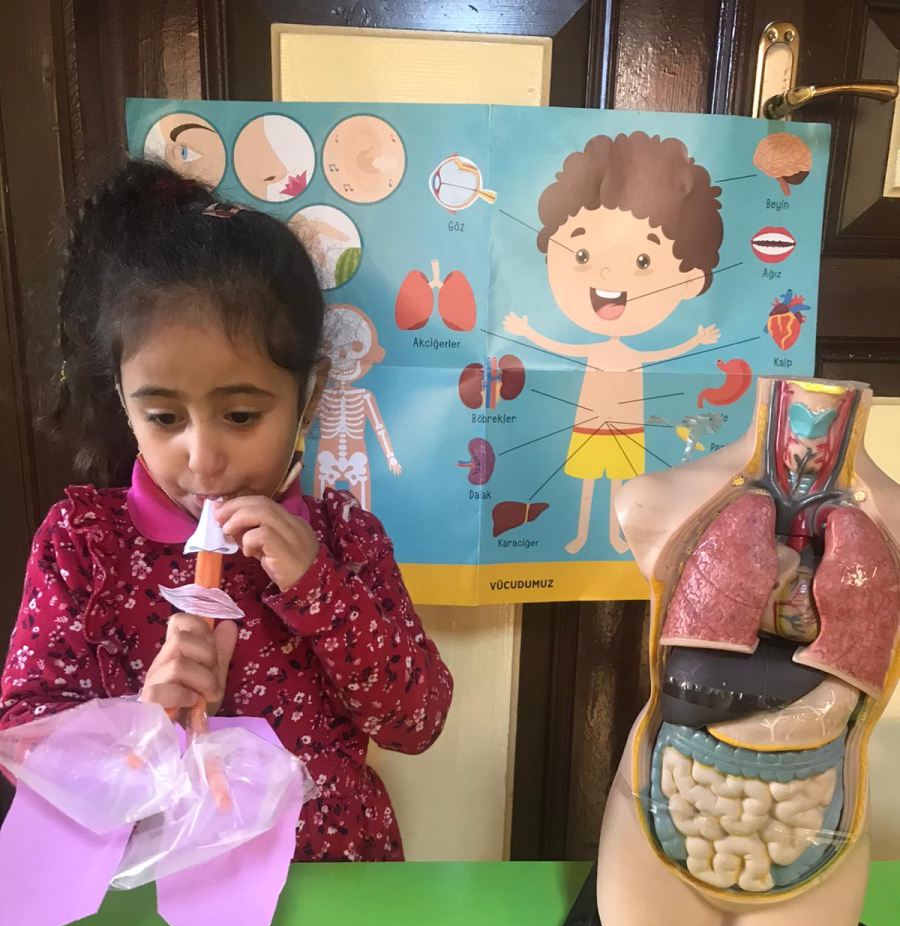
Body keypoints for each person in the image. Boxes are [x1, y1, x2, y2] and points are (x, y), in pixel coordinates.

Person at [0, 158, 453, 862]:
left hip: (334, 874)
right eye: (163, 417)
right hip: (157, 882)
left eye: (241, 415)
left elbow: (416, 721)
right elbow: (24, 737)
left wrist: (319, 589)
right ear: (122, 398)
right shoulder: (84, 545)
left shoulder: (345, 540)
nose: (203, 459)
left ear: (309, 394)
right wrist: (144, 723)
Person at [504, 131, 723, 554]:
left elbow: (659, 354)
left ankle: (618, 538)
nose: (607, 276)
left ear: (689, 282)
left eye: (643, 260)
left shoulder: (630, 354)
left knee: (622, 485)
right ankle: (583, 535)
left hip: (627, 426)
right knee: (590, 483)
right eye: (582, 255)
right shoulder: (599, 351)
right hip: (590, 423)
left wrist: (696, 340)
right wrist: (528, 332)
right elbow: (564, 350)